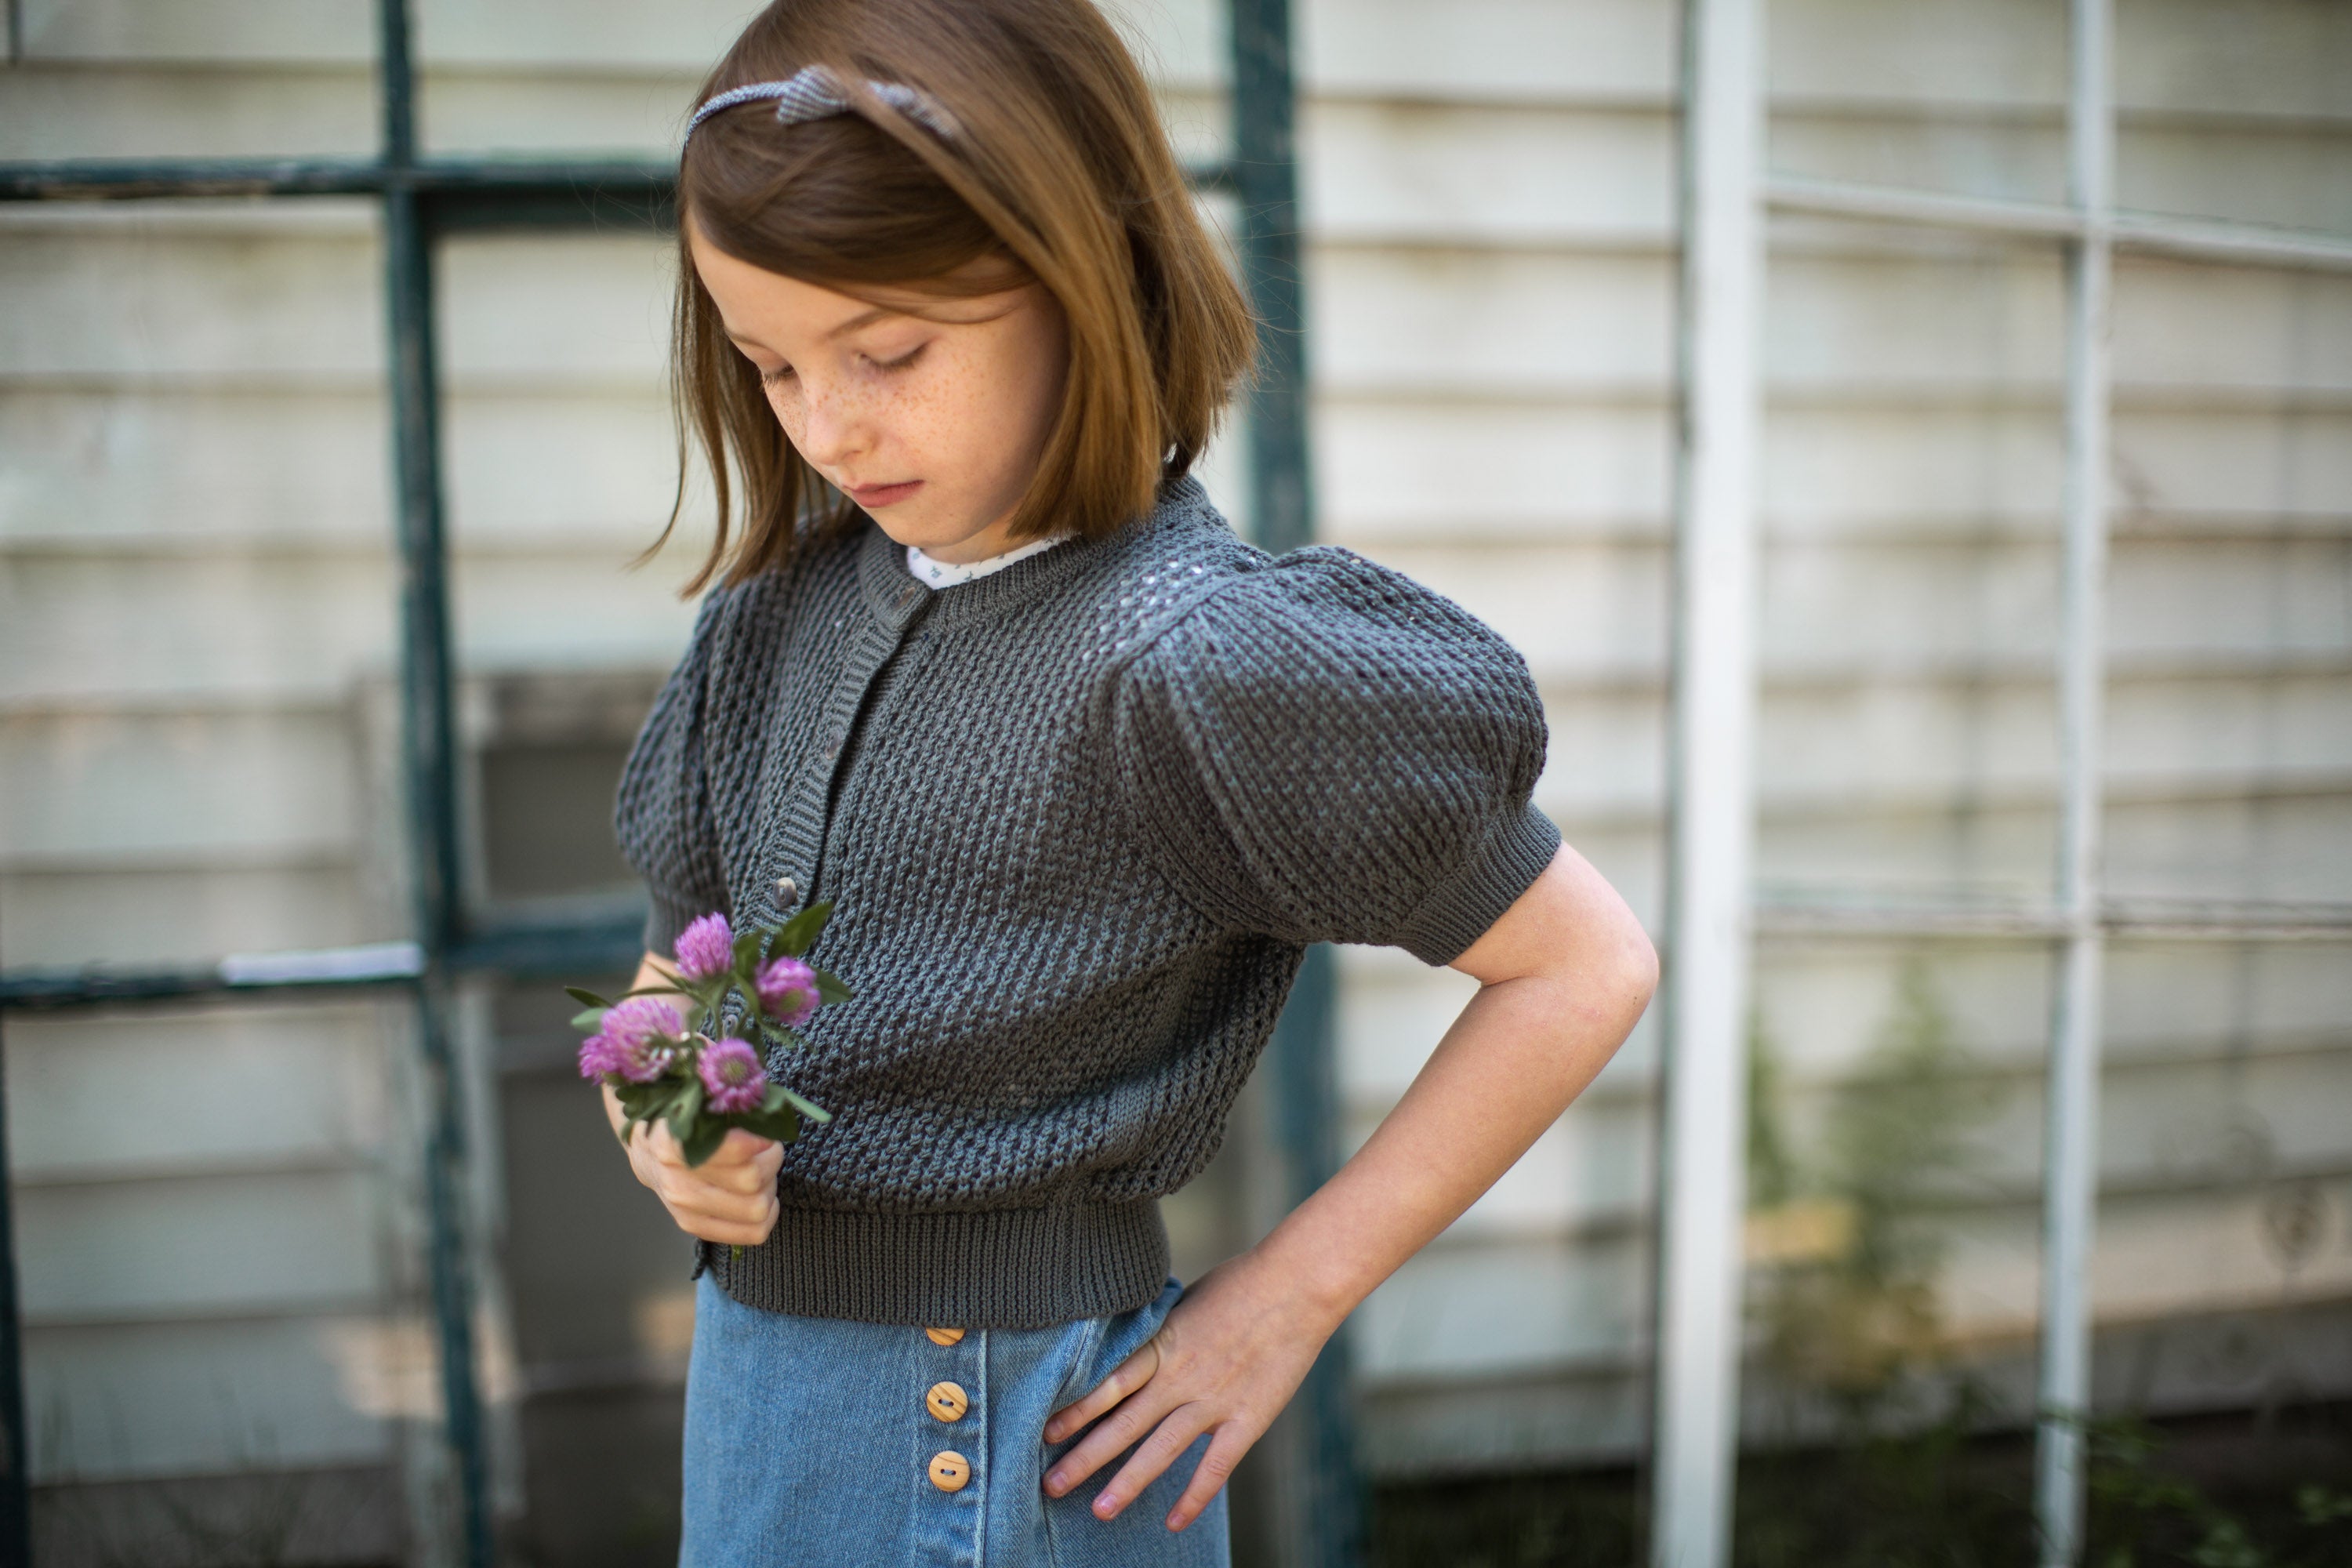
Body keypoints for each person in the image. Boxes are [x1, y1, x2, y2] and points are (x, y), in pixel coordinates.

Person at [604, 0, 1657, 1561]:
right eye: (771, 367)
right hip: (766, 1398)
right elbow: (676, 979)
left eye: (889, 351)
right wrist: (664, 1115)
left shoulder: (1195, 661)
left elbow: (1584, 966)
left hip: (1005, 1426)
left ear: (1080, 281)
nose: (830, 423)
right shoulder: (774, 624)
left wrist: (1285, 1301)